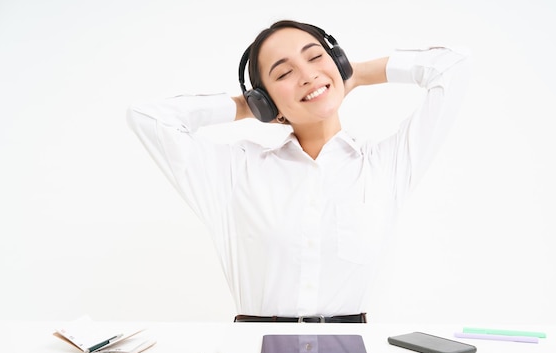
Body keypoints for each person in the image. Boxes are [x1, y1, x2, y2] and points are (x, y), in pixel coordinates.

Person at [127, 20, 470, 323]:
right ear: (265, 99)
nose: (307, 75)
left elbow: (450, 67)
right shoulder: (235, 172)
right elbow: (150, 118)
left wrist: (357, 73)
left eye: (316, 57)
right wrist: (248, 107)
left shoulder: (384, 165)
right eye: (283, 73)